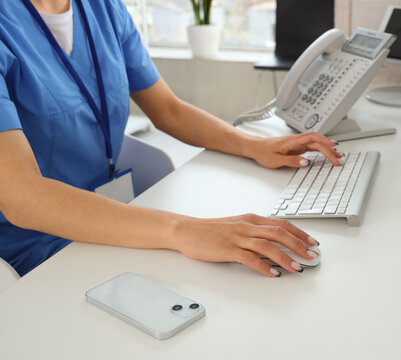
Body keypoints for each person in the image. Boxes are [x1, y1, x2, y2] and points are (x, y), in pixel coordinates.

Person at [0, 0, 342, 278]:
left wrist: (253, 145)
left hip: (119, 221)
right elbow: (21, 196)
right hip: (36, 248)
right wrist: (183, 230)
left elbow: (168, 110)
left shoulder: (104, 8)